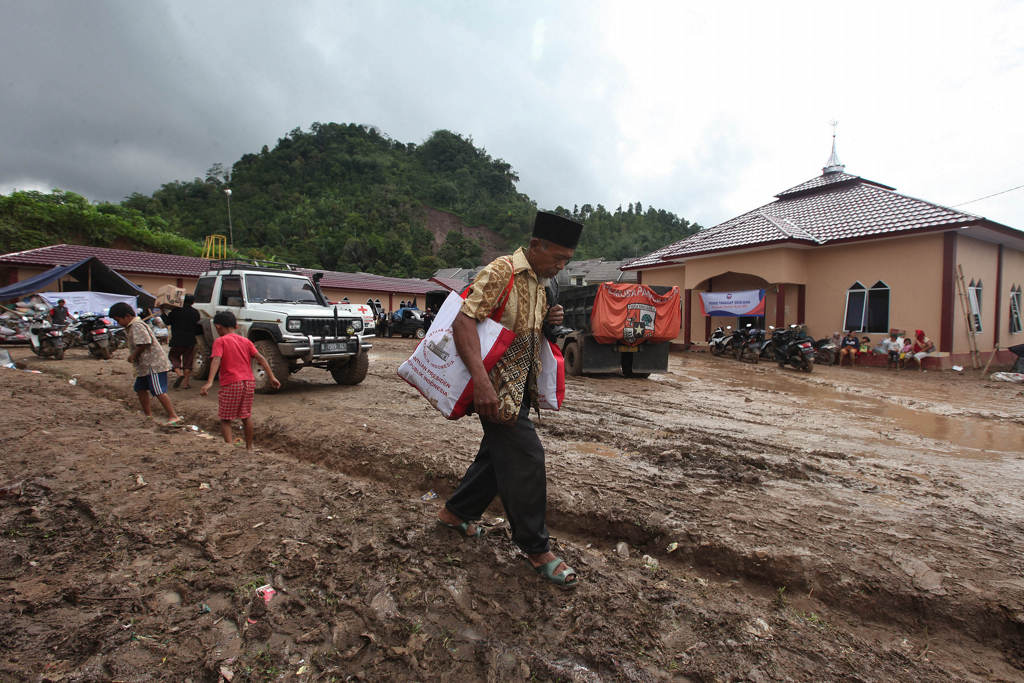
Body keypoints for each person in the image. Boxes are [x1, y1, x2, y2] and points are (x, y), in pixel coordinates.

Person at [437, 210, 583, 589]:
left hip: (519, 388)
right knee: (526, 457)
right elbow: (464, 321)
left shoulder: (540, 282)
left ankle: (456, 514)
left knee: (495, 458)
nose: (562, 267)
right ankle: (537, 549)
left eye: (568, 260)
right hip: (495, 388)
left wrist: (551, 322)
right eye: (558, 258)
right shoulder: (502, 271)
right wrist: (482, 383)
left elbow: (530, 332)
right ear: (536, 245)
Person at [199, 310, 280, 450]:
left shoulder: (220, 341)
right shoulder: (245, 341)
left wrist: (210, 381)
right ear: (235, 325)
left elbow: (216, 360)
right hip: (248, 382)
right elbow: (261, 358)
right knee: (246, 416)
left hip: (231, 382)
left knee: (225, 418)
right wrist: (272, 377)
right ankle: (249, 447)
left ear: (218, 326)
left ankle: (229, 447)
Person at [109, 302, 181, 425]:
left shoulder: (137, 325)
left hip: (153, 364)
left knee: (158, 391)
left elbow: (145, 342)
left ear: (127, 316)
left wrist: (133, 355)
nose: (119, 323)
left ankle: (173, 415)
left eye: (118, 320)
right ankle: (147, 415)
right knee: (140, 388)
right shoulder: (132, 326)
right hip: (144, 366)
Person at [160, 295, 201, 389]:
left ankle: (178, 373)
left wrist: (163, 311)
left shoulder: (175, 311)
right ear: (193, 302)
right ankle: (186, 383)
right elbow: (198, 326)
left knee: (173, 356)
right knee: (188, 361)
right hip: (190, 340)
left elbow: (167, 322)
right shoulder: (195, 312)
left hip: (177, 340)